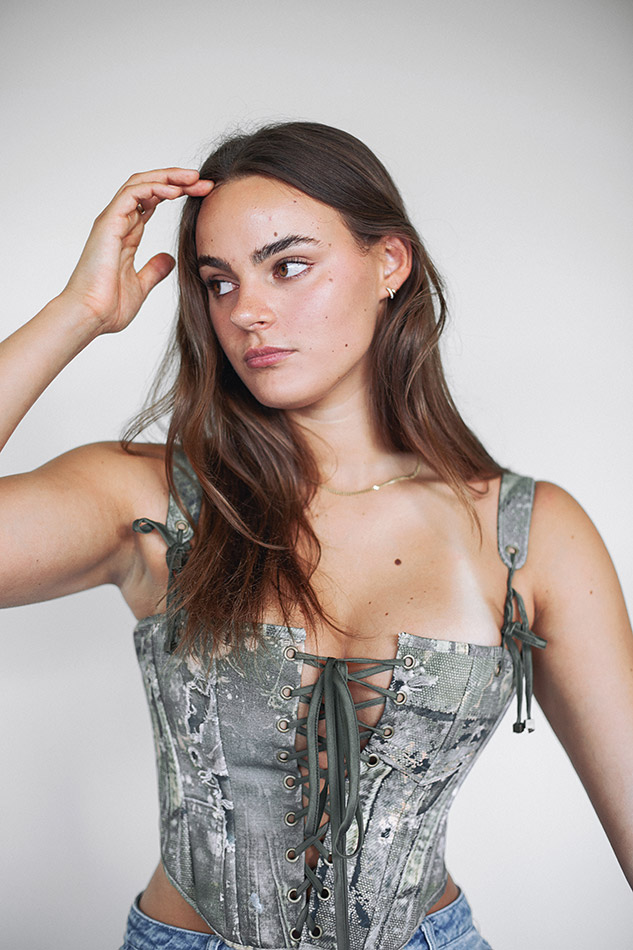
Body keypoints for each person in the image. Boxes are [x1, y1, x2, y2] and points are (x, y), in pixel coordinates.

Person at [1, 121, 631, 950]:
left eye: (287, 265)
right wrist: (75, 313)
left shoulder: (525, 532)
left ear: (388, 264)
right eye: (217, 282)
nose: (248, 312)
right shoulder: (149, 497)